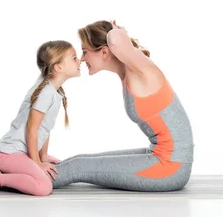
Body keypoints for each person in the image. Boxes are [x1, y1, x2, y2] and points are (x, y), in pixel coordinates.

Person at [46, 20, 194, 192]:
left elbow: (115, 40)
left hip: (171, 167)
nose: (82, 58)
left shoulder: (140, 68)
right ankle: (26, 172)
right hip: (163, 157)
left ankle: (23, 181)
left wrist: (118, 31)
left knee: (79, 166)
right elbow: (116, 42)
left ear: (104, 51)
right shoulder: (129, 71)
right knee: (79, 160)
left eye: (85, 52)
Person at [0, 40, 81, 196]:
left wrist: (43, 158)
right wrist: (36, 162)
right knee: (44, 187)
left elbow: (45, 129)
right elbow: (32, 130)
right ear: (59, 67)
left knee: (57, 166)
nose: (80, 60)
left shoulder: (54, 90)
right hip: (9, 154)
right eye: (74, 58)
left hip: (21, 152)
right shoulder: (46, 93)